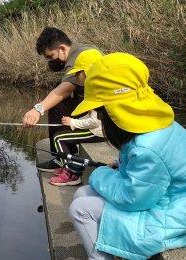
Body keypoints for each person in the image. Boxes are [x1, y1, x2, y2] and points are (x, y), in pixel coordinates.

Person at [69, 52, 186, 260]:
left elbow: (133, 199)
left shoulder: (148, 148)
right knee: (82, 194)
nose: (99, 118)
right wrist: (120, 164)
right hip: (168, 199)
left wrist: (99, 174)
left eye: (100, 112)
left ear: (116, 112)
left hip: (173, 214)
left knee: (81, 208)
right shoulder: (156, 124)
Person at [22, 26, 103, 172]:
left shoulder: (78, 57)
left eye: (51, 56)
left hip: (102, 116)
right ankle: (67, 153)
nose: (51, 61)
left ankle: (61, 158)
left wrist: (37, 110)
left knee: (56, 105)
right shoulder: (82, 48)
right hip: (96, 107)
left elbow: (64, 89)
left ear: (62, 48)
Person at [47, 52, 105, 186]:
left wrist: (73, 122)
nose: (75, 77)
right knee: (62, 134)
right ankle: (67, 166)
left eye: (77, 73)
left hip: (98, 131)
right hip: (97, 128)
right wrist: (73, 123)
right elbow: (92, 116)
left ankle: (71, 173)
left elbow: (95, 121)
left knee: (58, 138)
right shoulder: (97, 87)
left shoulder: (96, 92)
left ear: (87, 72)